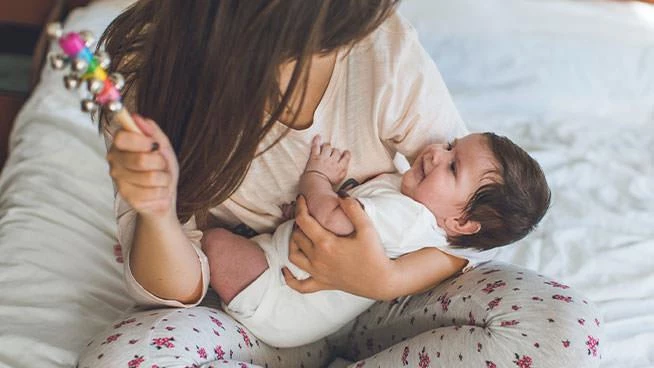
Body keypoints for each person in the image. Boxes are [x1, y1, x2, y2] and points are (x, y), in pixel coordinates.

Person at [78, 1, 603, 367]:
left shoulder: (379, 41)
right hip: (260, 315)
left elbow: (469, 231)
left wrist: (383, 281)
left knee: (563, 330)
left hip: (389, 312)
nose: (436, 154)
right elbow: (175, 292)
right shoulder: (153, 79)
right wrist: (156, 211)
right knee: (123, 359)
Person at [205, 132, 551, 348]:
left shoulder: (411, 220)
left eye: (452, 167)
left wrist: (317, 178)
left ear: (461, 221)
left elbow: (330, 219)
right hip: (286, 293)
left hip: (278, 296)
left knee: (215, 242)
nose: (435, 153)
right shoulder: (415, 204)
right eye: (450, 146)